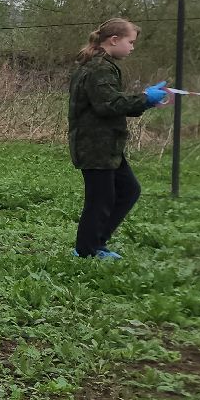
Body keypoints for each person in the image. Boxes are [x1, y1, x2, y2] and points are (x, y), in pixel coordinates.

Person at [67, 18, 168, 258]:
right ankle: (87, 250)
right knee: (100, 199)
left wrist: (148, 100)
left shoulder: (101, 65)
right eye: (130, 42)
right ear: (114, 40)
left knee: (128, 190)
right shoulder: (99, 67)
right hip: (95, 145)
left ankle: (95, 244)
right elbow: (108, 104)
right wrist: (145, 97)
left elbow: (111, 102)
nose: (132, 47)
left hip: (106, 144)